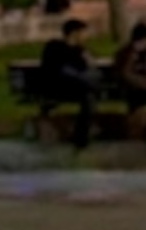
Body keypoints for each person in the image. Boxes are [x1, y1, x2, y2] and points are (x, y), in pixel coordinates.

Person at [37, 17, 103, 150]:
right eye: (83, 33)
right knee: (89, 94)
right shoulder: (55, 47)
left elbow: (89, 68)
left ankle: (81, 136)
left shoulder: (79, 50)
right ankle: (81, 138)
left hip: (73, 88)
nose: (86, 36)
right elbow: (56, 71)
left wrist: (87, 57)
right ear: (74, 33)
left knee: (89, 96)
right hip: (56, 88)